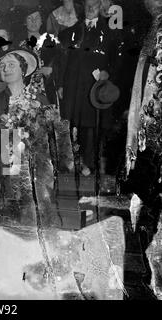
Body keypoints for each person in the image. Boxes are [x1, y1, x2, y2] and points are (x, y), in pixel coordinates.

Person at [0, 49, 68, 225]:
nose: (6, 69)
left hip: (33, 171)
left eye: (11, 65)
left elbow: (51, 139)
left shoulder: (40, 100)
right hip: (3, 169)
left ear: (23, 70)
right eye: (3, 66)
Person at [125, 0, 162, 299]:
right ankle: (147, 276)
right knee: (146, 202)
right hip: (150, 136)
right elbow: (142, 90)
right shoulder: (151, 38)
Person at [58, 0, 121, 175]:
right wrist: (61, 84)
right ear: (82, 8)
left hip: (94, 87)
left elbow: (116, 61)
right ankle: (69, 161)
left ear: (101, 8)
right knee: (68, 121)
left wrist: (107, 74)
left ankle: (88, 163)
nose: (91, 8)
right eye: (88, 5)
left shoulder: (110, 33)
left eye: (94, 4)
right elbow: (64, 59)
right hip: (73, 85)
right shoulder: (72, 32)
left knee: (90, 125)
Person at [19, 8, 62, 105]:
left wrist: (52, 70)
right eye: (30, 18)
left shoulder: (52, 43)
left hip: (47, 89)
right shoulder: (20, 46)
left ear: (42, 21)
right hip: (26, 93)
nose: (34, 21)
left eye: (37, 18)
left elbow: (62, 64)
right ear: (25, 22)